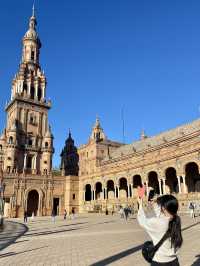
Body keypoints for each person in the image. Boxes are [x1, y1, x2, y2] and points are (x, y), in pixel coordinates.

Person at [137, 194, 183, 266]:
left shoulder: (158, 223)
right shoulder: (176, 220)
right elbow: (161, 214)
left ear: (163, 208)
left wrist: (140, 205)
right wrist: (156, 204)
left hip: (160, 262)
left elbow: (142, 220)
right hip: (174, 261)